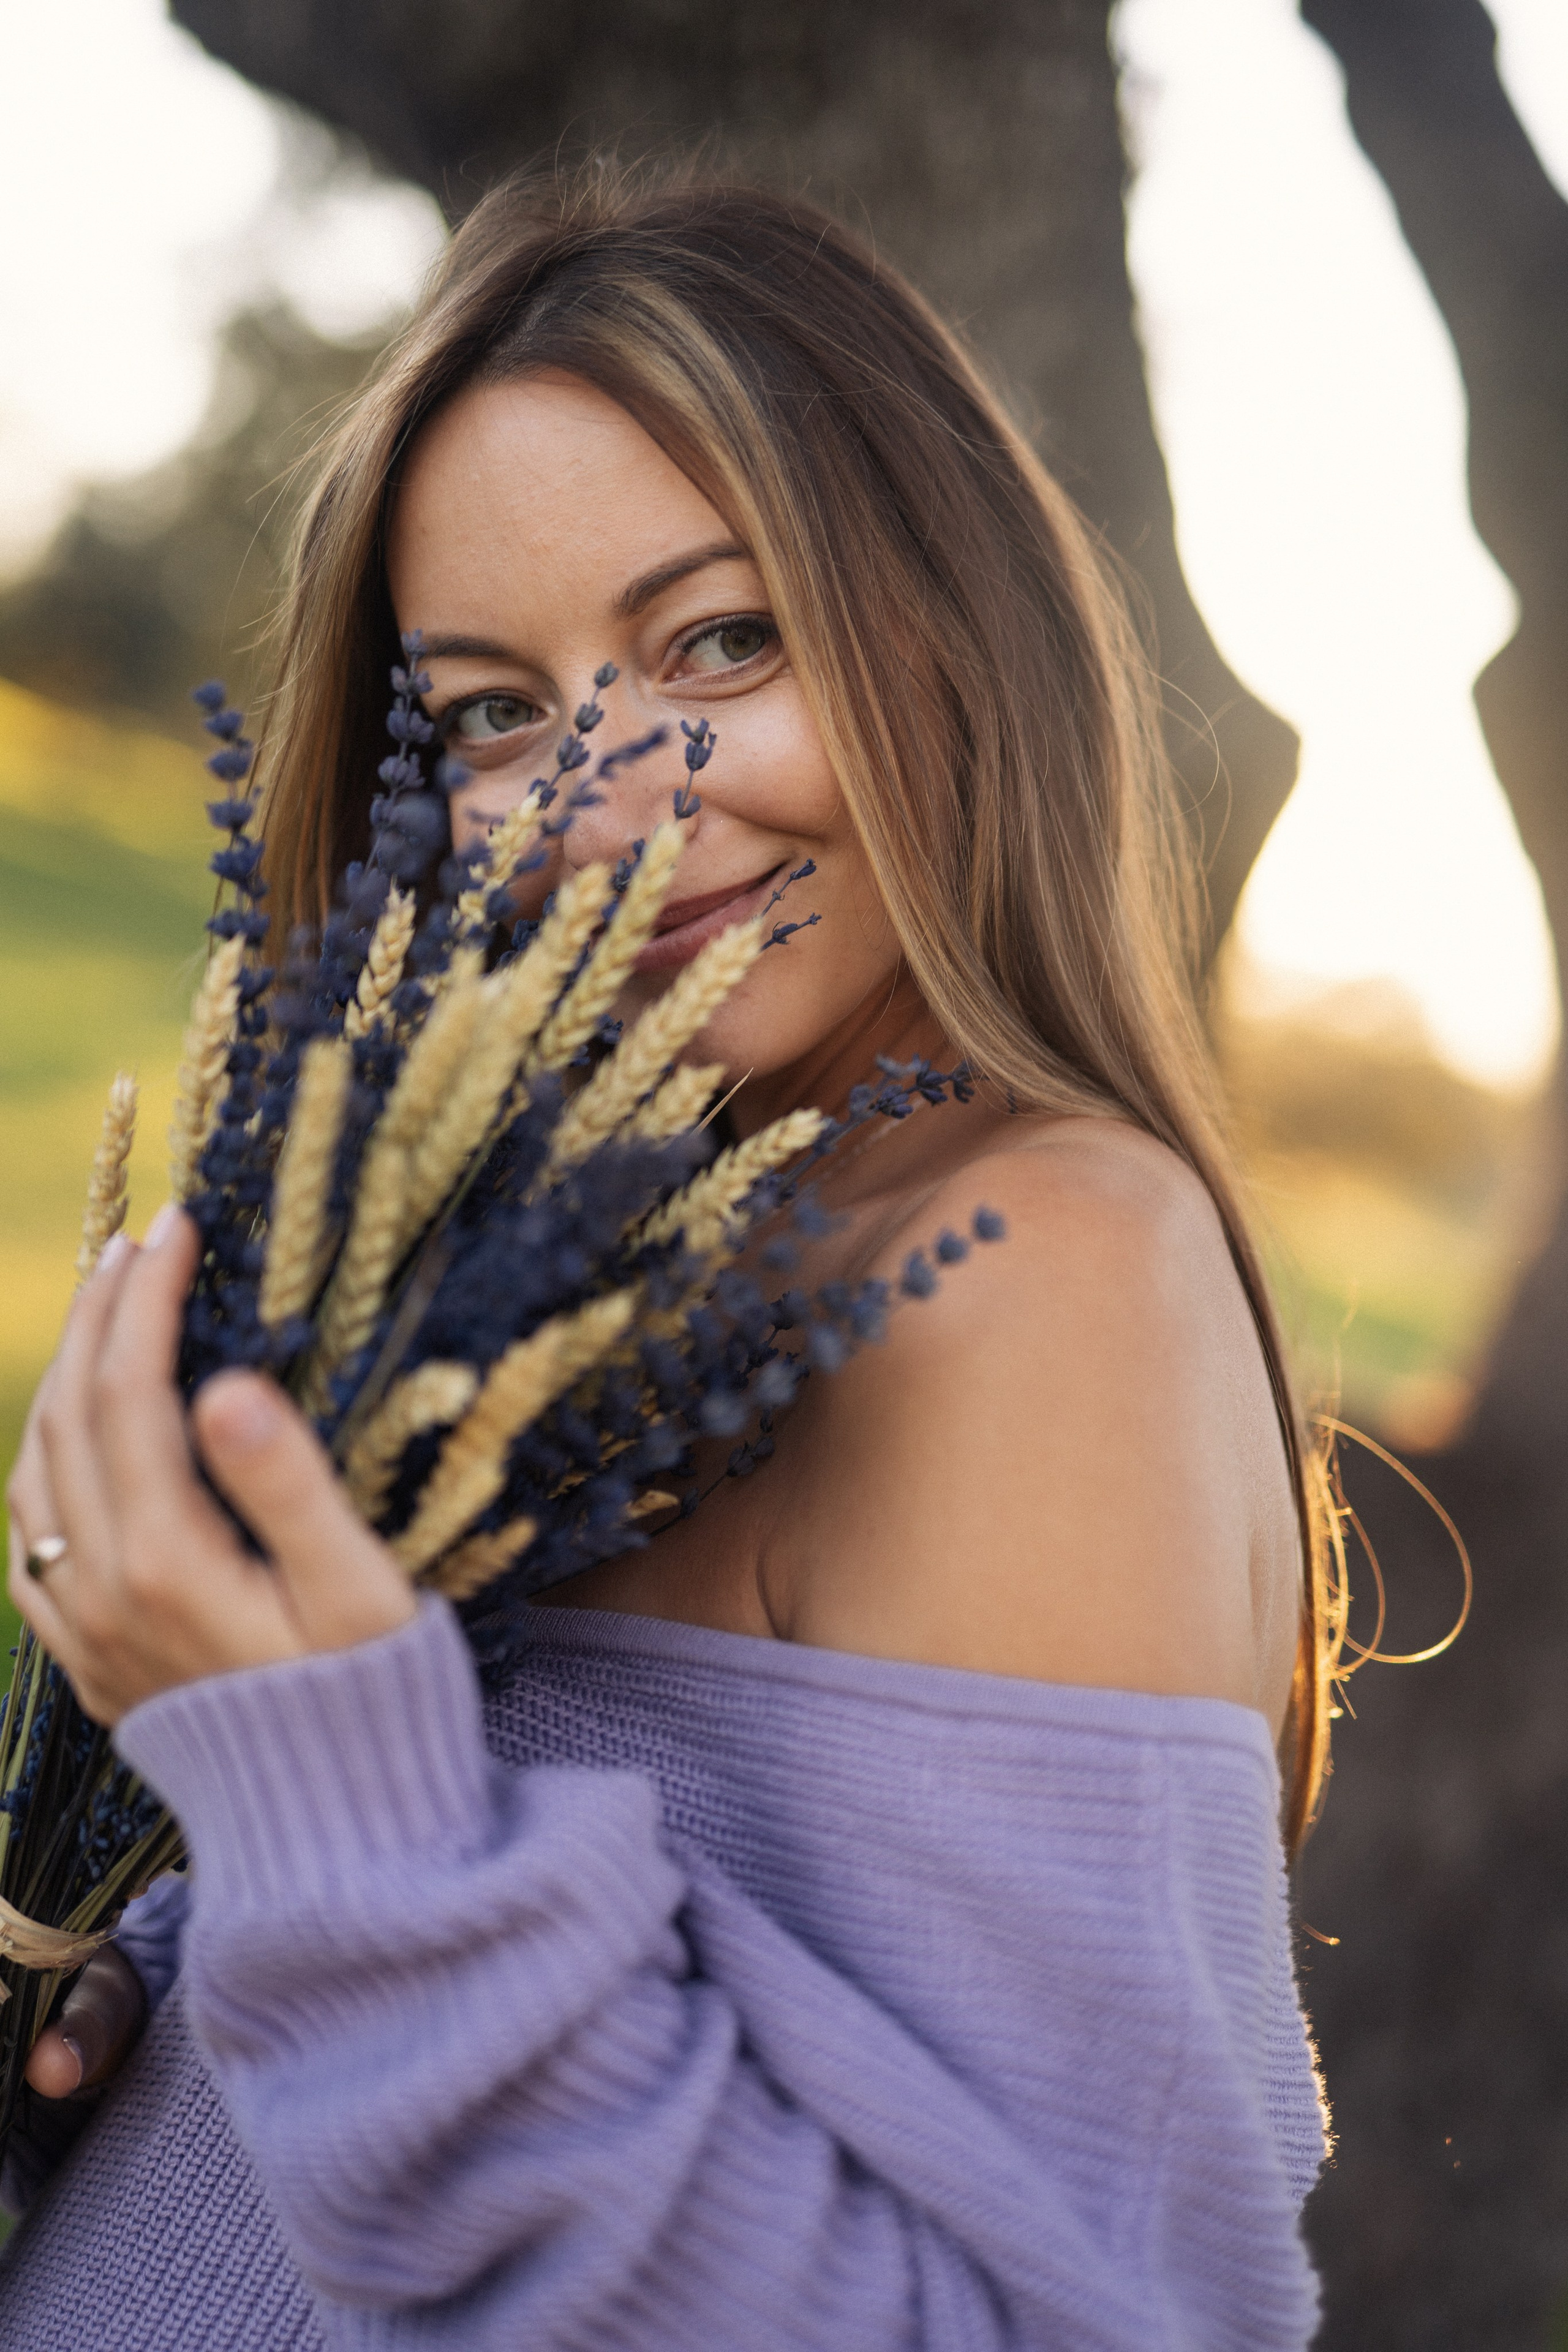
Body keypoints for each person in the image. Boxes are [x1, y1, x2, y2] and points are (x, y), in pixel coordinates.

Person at [2, 167, 1332, 2348]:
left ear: (952, 626)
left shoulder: (1040, 1267)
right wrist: (147, 1982)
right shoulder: (554, 1294)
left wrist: (331, 1828)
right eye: (496, 715)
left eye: (723, 641)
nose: (609, 805)